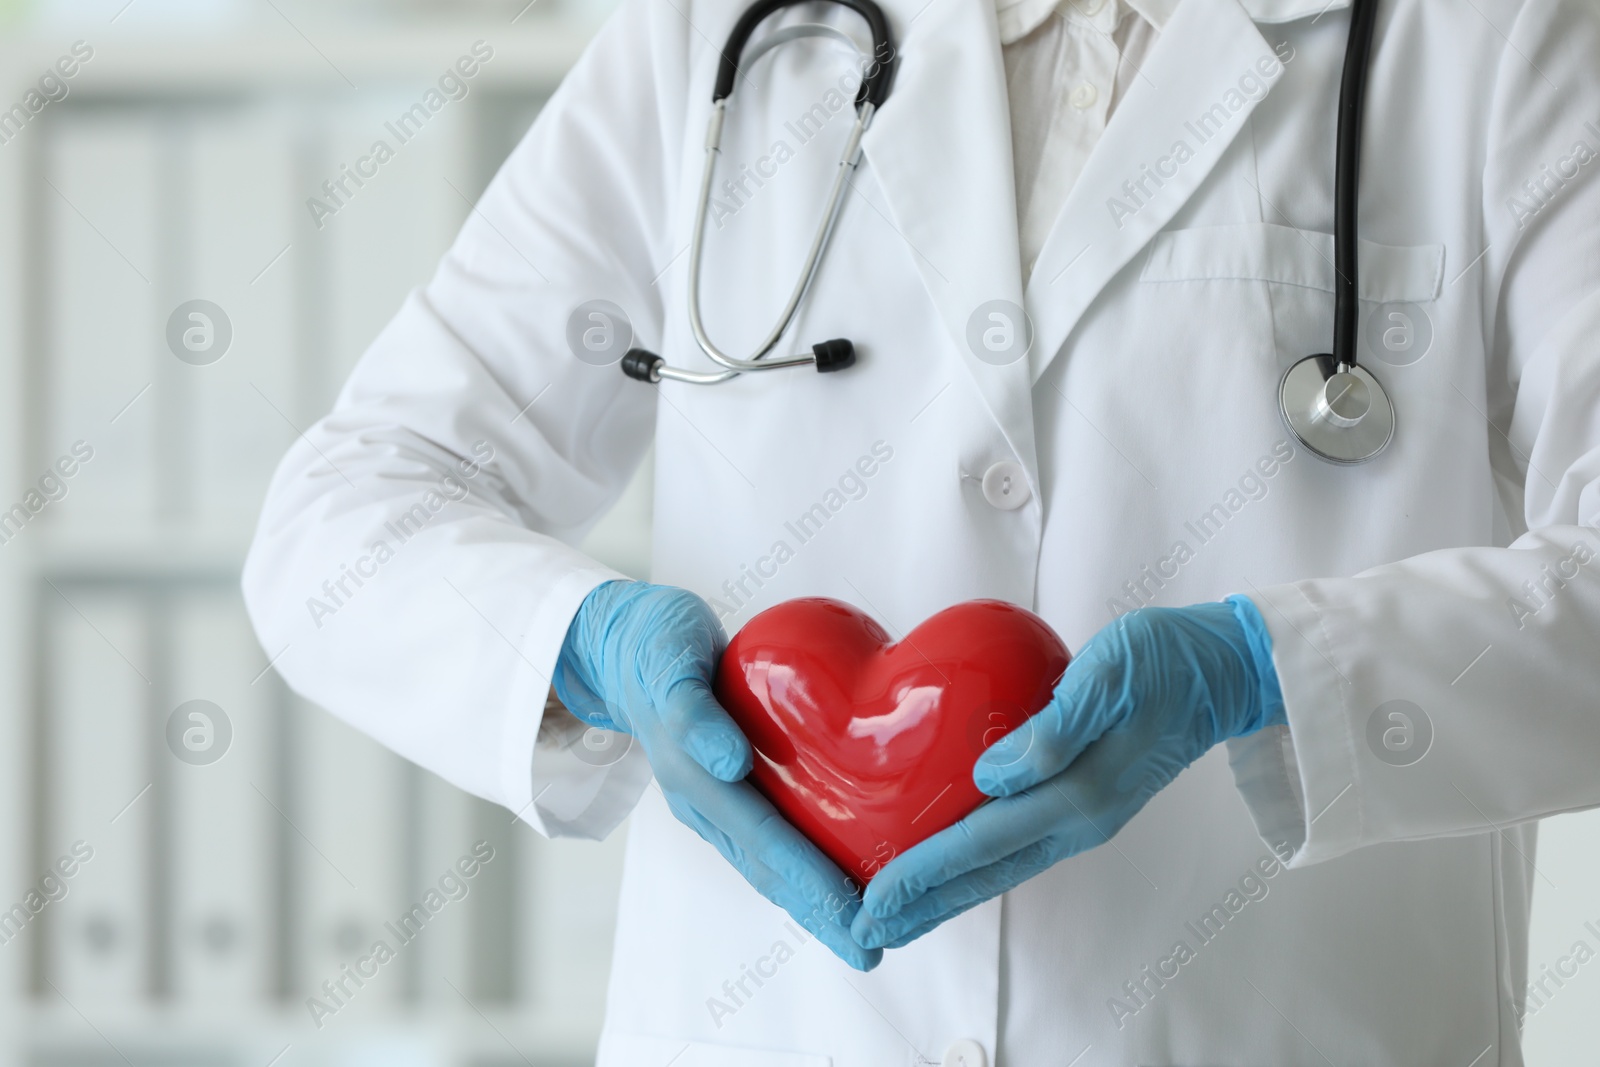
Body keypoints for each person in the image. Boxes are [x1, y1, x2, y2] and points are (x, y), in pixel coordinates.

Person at [243, 0, 1600, 1062]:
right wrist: (586, 648)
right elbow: (342, 515)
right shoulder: (724, 39)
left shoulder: (1496, 36)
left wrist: (1265, 673)